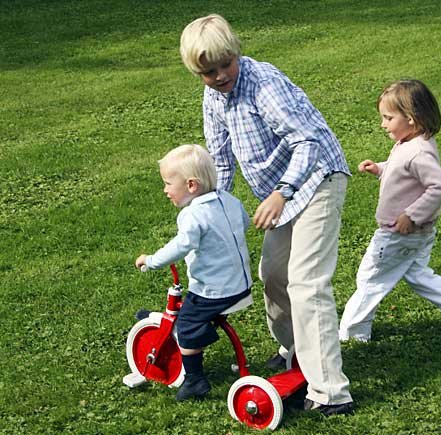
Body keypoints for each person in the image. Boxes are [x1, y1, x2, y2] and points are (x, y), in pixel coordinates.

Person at [179, 14, 353, 415]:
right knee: (273, 275)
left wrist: (282, 192)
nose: (220, 76)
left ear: (236, 52)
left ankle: (330, 392)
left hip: (317, 178)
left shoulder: (263, 85)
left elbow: (307, 141)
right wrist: (210, 211)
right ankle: (296, 351)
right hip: (281, 195)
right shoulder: (213, 97)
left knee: (307, 283)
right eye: (208, 72)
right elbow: (220, 160)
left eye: (226, 64)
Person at [339, 79, 441, 345]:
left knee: (371, 278)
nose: (383, 124)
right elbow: (405, 174)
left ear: (411, 118)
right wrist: (381, 169)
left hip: (399, 233)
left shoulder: (417, 151)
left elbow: (440, 187)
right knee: (417, 274)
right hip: (416, 234)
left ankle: (352, 335)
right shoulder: (411, 143)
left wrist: (411, 215)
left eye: (388, 118)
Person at [135, 144, 252, 401]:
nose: (165, 190)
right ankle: (183, 326)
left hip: (216, 291)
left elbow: (181, 245)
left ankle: (195, 380)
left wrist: (151, 261)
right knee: (193, 310)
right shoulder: (229, 200)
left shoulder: (192, 214)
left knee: (188, 322)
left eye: (168, 184)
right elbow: (244, 223)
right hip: (241, 285)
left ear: (191, 185)